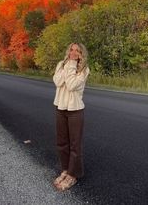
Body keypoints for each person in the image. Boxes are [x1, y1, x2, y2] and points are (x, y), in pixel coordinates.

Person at [53, 42, 90, 191]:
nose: (74, 53)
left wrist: (72, 64)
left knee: (75, 145)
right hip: (60, 107)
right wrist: (67, 65)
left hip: (75, 110)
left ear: (82, 54)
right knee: (62, 142)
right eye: (72, 50)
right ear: (68, 51)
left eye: (77, 51)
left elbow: (71, 85)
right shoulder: (61, 64)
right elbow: (57, 81)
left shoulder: (84, 69)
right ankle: (65, 170)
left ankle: (73, 175)